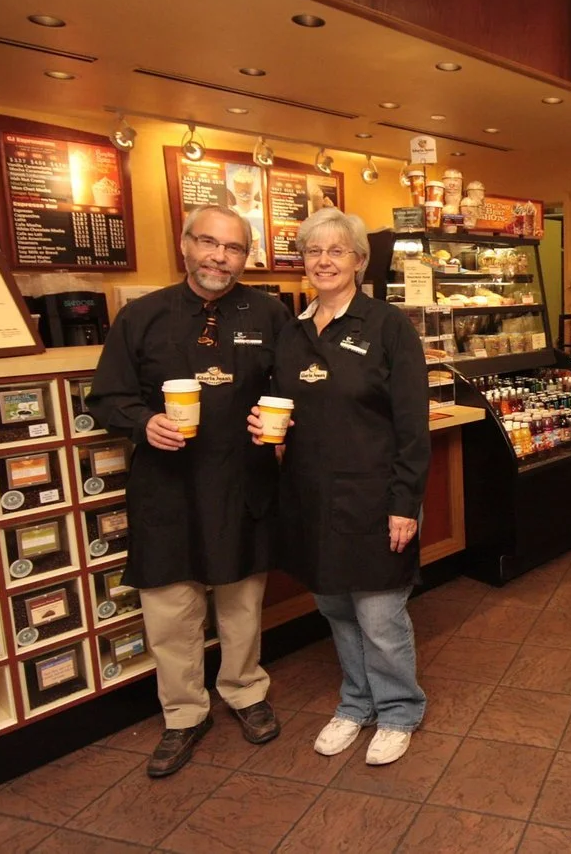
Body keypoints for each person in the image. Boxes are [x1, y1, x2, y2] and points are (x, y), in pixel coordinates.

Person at [89, 204, 290, 777]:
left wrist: (285, 424)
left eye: (232, 249)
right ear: (185, 244)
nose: (219, 258)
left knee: (241, 604)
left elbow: (295, 383)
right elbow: (108, 396)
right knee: (170, 611)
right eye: (208, 243)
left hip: (242, 481)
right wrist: (142, 422)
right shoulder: (142, 316)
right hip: (167, 487)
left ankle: (246, 692)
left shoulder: (270, 314)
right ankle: (183, 713)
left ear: (244, 256)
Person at [248, 208, 430, 766]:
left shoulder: (387, 326)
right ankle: (357, 702)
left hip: (375, 498)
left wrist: (405, 504)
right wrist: (265, 427)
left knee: (379, 616)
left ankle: (399, 708)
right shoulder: (293, 332)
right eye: (312, 251)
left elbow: (411, 424)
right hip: (310, 499)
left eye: (336, 251)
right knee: (336, 610)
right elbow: (289, 410)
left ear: (357, 260)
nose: (323, 261)